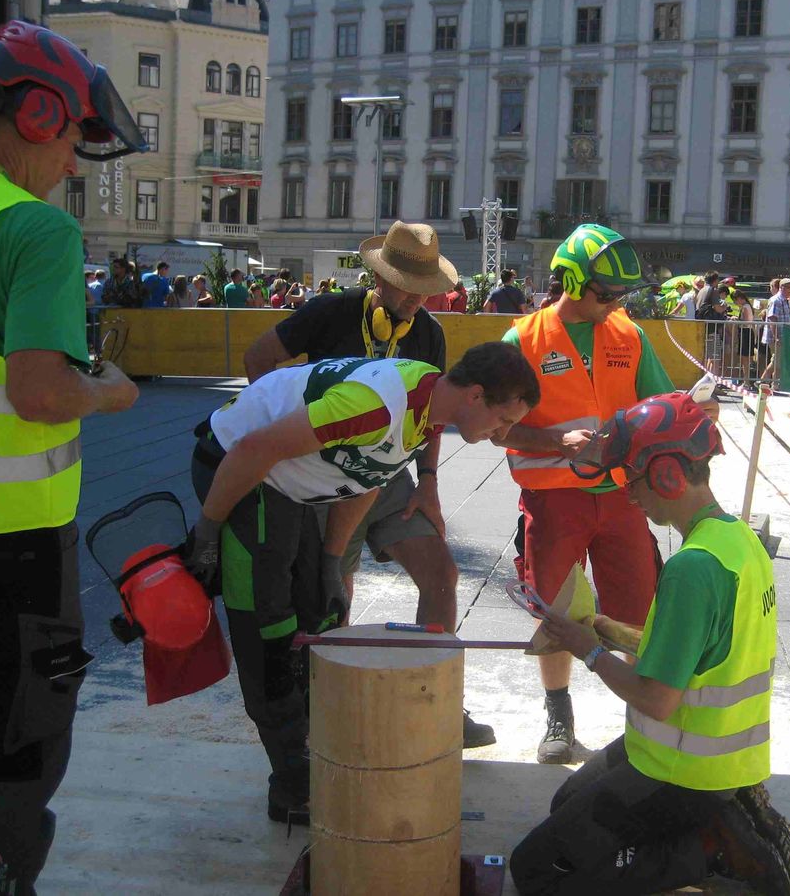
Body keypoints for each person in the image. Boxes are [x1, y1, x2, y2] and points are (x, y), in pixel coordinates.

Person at [0, 20, 144, 895]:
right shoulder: (33, 230)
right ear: (41, 117)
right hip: (7, 555)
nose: (70, 166)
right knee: (10, 759)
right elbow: (42, 393)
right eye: (73, 142)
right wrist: (112, 391)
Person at [186, 342, 539, 824]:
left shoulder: (430, 401)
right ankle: (291, 785)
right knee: (268, 629)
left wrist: (331, 562)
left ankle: (311, 748)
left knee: (315, 611)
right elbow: (253, 448)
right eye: (504, 420)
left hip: (287, 479)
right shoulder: (376, 406)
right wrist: (207, 533)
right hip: (237, 465)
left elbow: (367, 476)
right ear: (475, 395)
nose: (504, 434)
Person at [509, 393, 790, 896]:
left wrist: (589, 651)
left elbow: (657, 699)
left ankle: (706, 853)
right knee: (566, 806)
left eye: (633, 478)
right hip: (700, 754)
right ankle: (713, 820)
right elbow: (699, 648)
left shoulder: (691, 569)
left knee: (536, 870)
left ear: (666, 475)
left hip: (686, 768)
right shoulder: (738, 541)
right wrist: (607, 629)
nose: (628, 493)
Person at [241, 221, 496, 748]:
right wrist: (282, 441)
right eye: (406, 286)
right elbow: (258, 357)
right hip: (324, 473)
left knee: (441, 573)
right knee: (334, 590)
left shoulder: (429, 332)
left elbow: (435, 413)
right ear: (378, 278)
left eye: (425, 289)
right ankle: (328, 709)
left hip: (389, 471)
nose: (416, 299)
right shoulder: (330, 311)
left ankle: (435, 701)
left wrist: (428, 480)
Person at [495, 223, 674, 764]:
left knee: (640, 614)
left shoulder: (628, 335)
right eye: (606, 294)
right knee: (556, 614)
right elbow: (496, 428)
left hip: (621, 498)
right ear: (572, 282)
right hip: (554, 500)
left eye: (620, 295)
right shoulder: (523, 341)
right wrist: (557, 442)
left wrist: (689, 411)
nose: (615, 304)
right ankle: (559, 714)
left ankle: (643, 727)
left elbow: (659, 405)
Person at [760, 278, 790, 382]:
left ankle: (773, 384)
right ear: (781, 287)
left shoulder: (786, 301)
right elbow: (772, 319)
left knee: (778, 362)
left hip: (783, 336)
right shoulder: (776, 300)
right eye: (788, 288)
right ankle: (763, 381)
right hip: (776, 337)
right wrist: (776, 337)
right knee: (777, 362)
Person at [732, 288, 757, 383]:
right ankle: (746, 380)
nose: (735, 303)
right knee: (744, 358)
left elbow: (746, 322)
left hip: (746, 332)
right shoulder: (746, 306)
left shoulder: (745, 307)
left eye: (735, 300)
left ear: (739, 298)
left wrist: (736, 320)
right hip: (746, 332)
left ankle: (746, 381)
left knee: (745, 359)